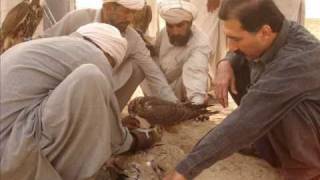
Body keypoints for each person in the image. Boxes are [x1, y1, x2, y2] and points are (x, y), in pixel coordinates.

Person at [164, 0, 320, 179]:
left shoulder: (297, 62)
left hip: (313, 130)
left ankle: (307, 168)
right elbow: (235, 52)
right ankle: (266, 147)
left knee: (287, 104)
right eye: (229, 37)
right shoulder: (281, 30)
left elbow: (245, 119)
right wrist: (226, 62)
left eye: (236, 39)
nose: (231, 46)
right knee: (237, 64)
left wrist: (184, 170)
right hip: (275, 101)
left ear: (265, 32)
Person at [0, 23, 155, 180]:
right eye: (111, 65)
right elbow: (115, 139)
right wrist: (136, 140)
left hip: (10, 139)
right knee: (91, 77)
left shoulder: (57, 47)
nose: (109, 69)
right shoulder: (95, 56)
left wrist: (115, 122)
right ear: (108, 54)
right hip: (11, 155)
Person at [40, 0, 178, 110]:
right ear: (108, 7)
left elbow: (152, 71)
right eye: (126, 12)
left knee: (139, 67)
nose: (130, 18)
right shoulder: (78, 18)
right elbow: (45, 42)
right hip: (63, 89)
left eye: (133, 13)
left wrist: (174, 104)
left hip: (103, 91)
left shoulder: (133, 38)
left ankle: (110, 114)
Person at [143, 0, 211, 105]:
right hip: (162, 80)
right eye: (170, 26)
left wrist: (197, 102)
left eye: (180, 26)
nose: (175, 32)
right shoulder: (164, 32)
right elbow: (155, 53)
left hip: (186, 82)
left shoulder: (200, 42)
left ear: (190, 23)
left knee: (194, 88)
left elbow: (196, 71)